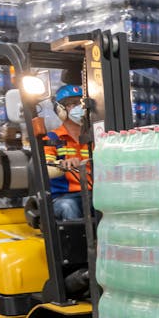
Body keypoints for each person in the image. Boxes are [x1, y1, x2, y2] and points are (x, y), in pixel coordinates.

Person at [43, 84, 91, 222]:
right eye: (73, 104)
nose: (79, 108)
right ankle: (79, 243)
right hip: (63, 196)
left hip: (93, 192)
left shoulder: (94, 136)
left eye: (81, 103)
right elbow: (46, 166)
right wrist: (62, 164)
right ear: (61, 110)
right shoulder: (52, 138)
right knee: (68, 206)